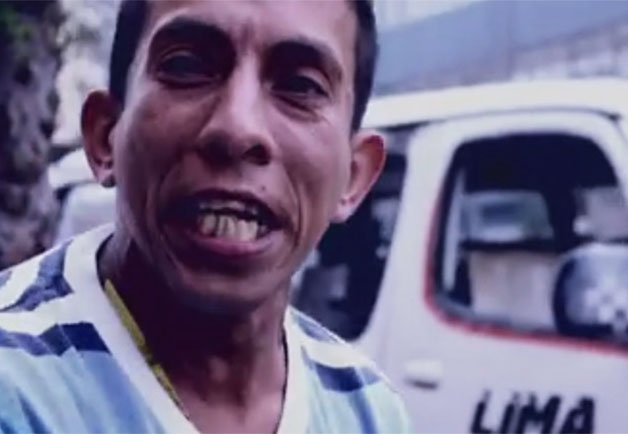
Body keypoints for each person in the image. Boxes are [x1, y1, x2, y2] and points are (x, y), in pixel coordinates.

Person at [0, 0, 410, 432]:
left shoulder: (369, 410)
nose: (237, 128)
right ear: (106, 136)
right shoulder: (16, 384)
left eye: (300, 86)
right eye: (186, 66)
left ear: (353, 177)